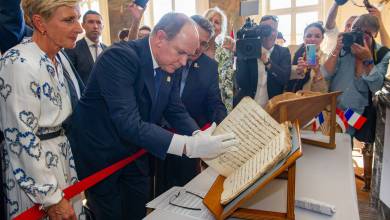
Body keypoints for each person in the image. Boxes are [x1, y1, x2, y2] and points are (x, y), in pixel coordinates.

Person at [68, 12, 238, 220]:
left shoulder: (169, 61)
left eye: (189, 54)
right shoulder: (119, 58)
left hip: (136, 154)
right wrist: (188, 145)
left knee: (138, 213)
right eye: (181, 52)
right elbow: (128, 123)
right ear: (160, 38)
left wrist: (196, 134)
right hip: (103, 157)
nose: (185, 62)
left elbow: (174, 108)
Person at [0, 0, 85, 219]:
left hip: (63, 160)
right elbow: (21, 137)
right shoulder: (18, 61)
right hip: (34, 176)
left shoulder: (59, 58)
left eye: (77, 18)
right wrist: (51, 197)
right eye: (69, 20)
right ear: (40, 22)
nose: (79, 28)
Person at [155, 15, 228, 195]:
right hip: (155, 135)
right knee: (156, 192)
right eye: (196, 41)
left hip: (189, 137)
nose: (197, 49)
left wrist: (226, 125)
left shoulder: (209, 67)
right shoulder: (166, 58)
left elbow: (214, 103)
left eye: (203, 44)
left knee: (186, 192)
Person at [323, 14, 390, 190]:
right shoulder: (345, 46)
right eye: (356, 30)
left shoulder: (382, 53)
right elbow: (326, 74)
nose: (360, 35)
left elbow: (376, 86)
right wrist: (336, 49)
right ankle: (329, 182)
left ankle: (341, 185)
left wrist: (367, 59)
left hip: (355, 109)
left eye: (366, 33)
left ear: (374, 34)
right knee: (325, 141)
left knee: (344, 143)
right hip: (331, 104)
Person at [234, 15, 292, 107]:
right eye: (265, 29)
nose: (269, 34)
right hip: (247, 106)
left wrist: (268, 63)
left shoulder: (283, 52)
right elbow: (242, 82)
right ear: (259, 31)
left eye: (273, 30)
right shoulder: (250, 51)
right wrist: (241, 54)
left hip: (272, 108)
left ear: (277, 32)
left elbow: (284, 79)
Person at [204, 7, 235, 112]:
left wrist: (228, 112)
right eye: (209, 20)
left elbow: (228, 86)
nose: (212, 24)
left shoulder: (225, 53)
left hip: (218, 106)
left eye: (217, 22)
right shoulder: (194, 50)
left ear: (221, 28)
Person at [65, 10, 107, 84]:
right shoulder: (72, 48)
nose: (95, 26)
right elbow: (70, 80)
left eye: (98, 22)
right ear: (83, 25)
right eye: (91, 22)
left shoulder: (108, 50)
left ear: (102, 26)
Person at [286, 22, 328, 93]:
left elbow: (322, 91)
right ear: (303, 37)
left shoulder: (325, 59)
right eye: (309, 36)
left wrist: (317, 71)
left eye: (317, 36)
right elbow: (280, 73)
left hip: (306, 100)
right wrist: (296, 69)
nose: (312, 39)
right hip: (285, 97)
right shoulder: (290, 50)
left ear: (322, 39)